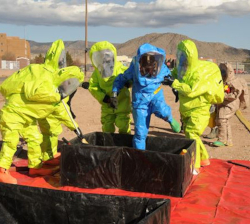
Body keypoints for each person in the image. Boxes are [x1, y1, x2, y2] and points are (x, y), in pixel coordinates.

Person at [0, 46, 84, 184]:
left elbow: (63, 112)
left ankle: (35, 167)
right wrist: (55, 95)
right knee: (11, 141)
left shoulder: (56, 95)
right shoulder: (47, 81)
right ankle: (2, 170)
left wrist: (76, 128)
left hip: (27, 117)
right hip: (14, 113)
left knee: (35, 139)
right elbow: (33, 92)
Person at [163, 39, 224, 174]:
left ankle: (194, 165)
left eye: (184, 56)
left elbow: (191, 89)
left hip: (199, 109)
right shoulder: (181, 69)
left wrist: (175, 84)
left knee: (192, 134)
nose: (182, 59)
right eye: (180, 56)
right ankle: (204, 159)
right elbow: (172, 76)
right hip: (187, 109)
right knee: (190, 135)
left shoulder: (198, 73)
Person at [112, 43, 181, 150]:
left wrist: (175, 88)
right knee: (140, 132)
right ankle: (140, 156)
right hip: (140, 101)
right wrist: (114, 93)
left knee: (163, 111)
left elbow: (170, 77)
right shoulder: (135, 67)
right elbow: (121, 78)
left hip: (156, 97)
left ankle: (170, 119)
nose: (149, 69)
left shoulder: (161, 67)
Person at [87, 41, 131, 134]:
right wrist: (105, 98)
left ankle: (125, 145)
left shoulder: (121, 69)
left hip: (122, 104)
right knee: (107, 126)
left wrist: (128, 82)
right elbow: (93, 87)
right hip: (107, 105)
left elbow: (131, 78)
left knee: (123, 124)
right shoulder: (97, 73)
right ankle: (109, 146)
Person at [213, 62, 249, 147]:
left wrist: (223, 95)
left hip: (231, 104)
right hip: (225, 103)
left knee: (222, 118)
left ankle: (221, 139)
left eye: (224, 71)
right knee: (225, 121)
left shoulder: (234, 82)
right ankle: (228, 141)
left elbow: (235, 95)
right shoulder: (223, 82)